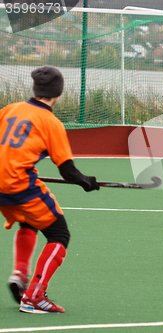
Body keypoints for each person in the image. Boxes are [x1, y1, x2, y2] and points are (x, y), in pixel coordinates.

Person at [0, 66, 99, 314]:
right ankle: (34, 296)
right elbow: (68, 171)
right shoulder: (51, 122)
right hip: (18, 186)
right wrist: (86, 181)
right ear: (58, 93)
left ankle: (20, 276)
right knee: (58, 234)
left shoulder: (10, 109)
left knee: (29, 220)